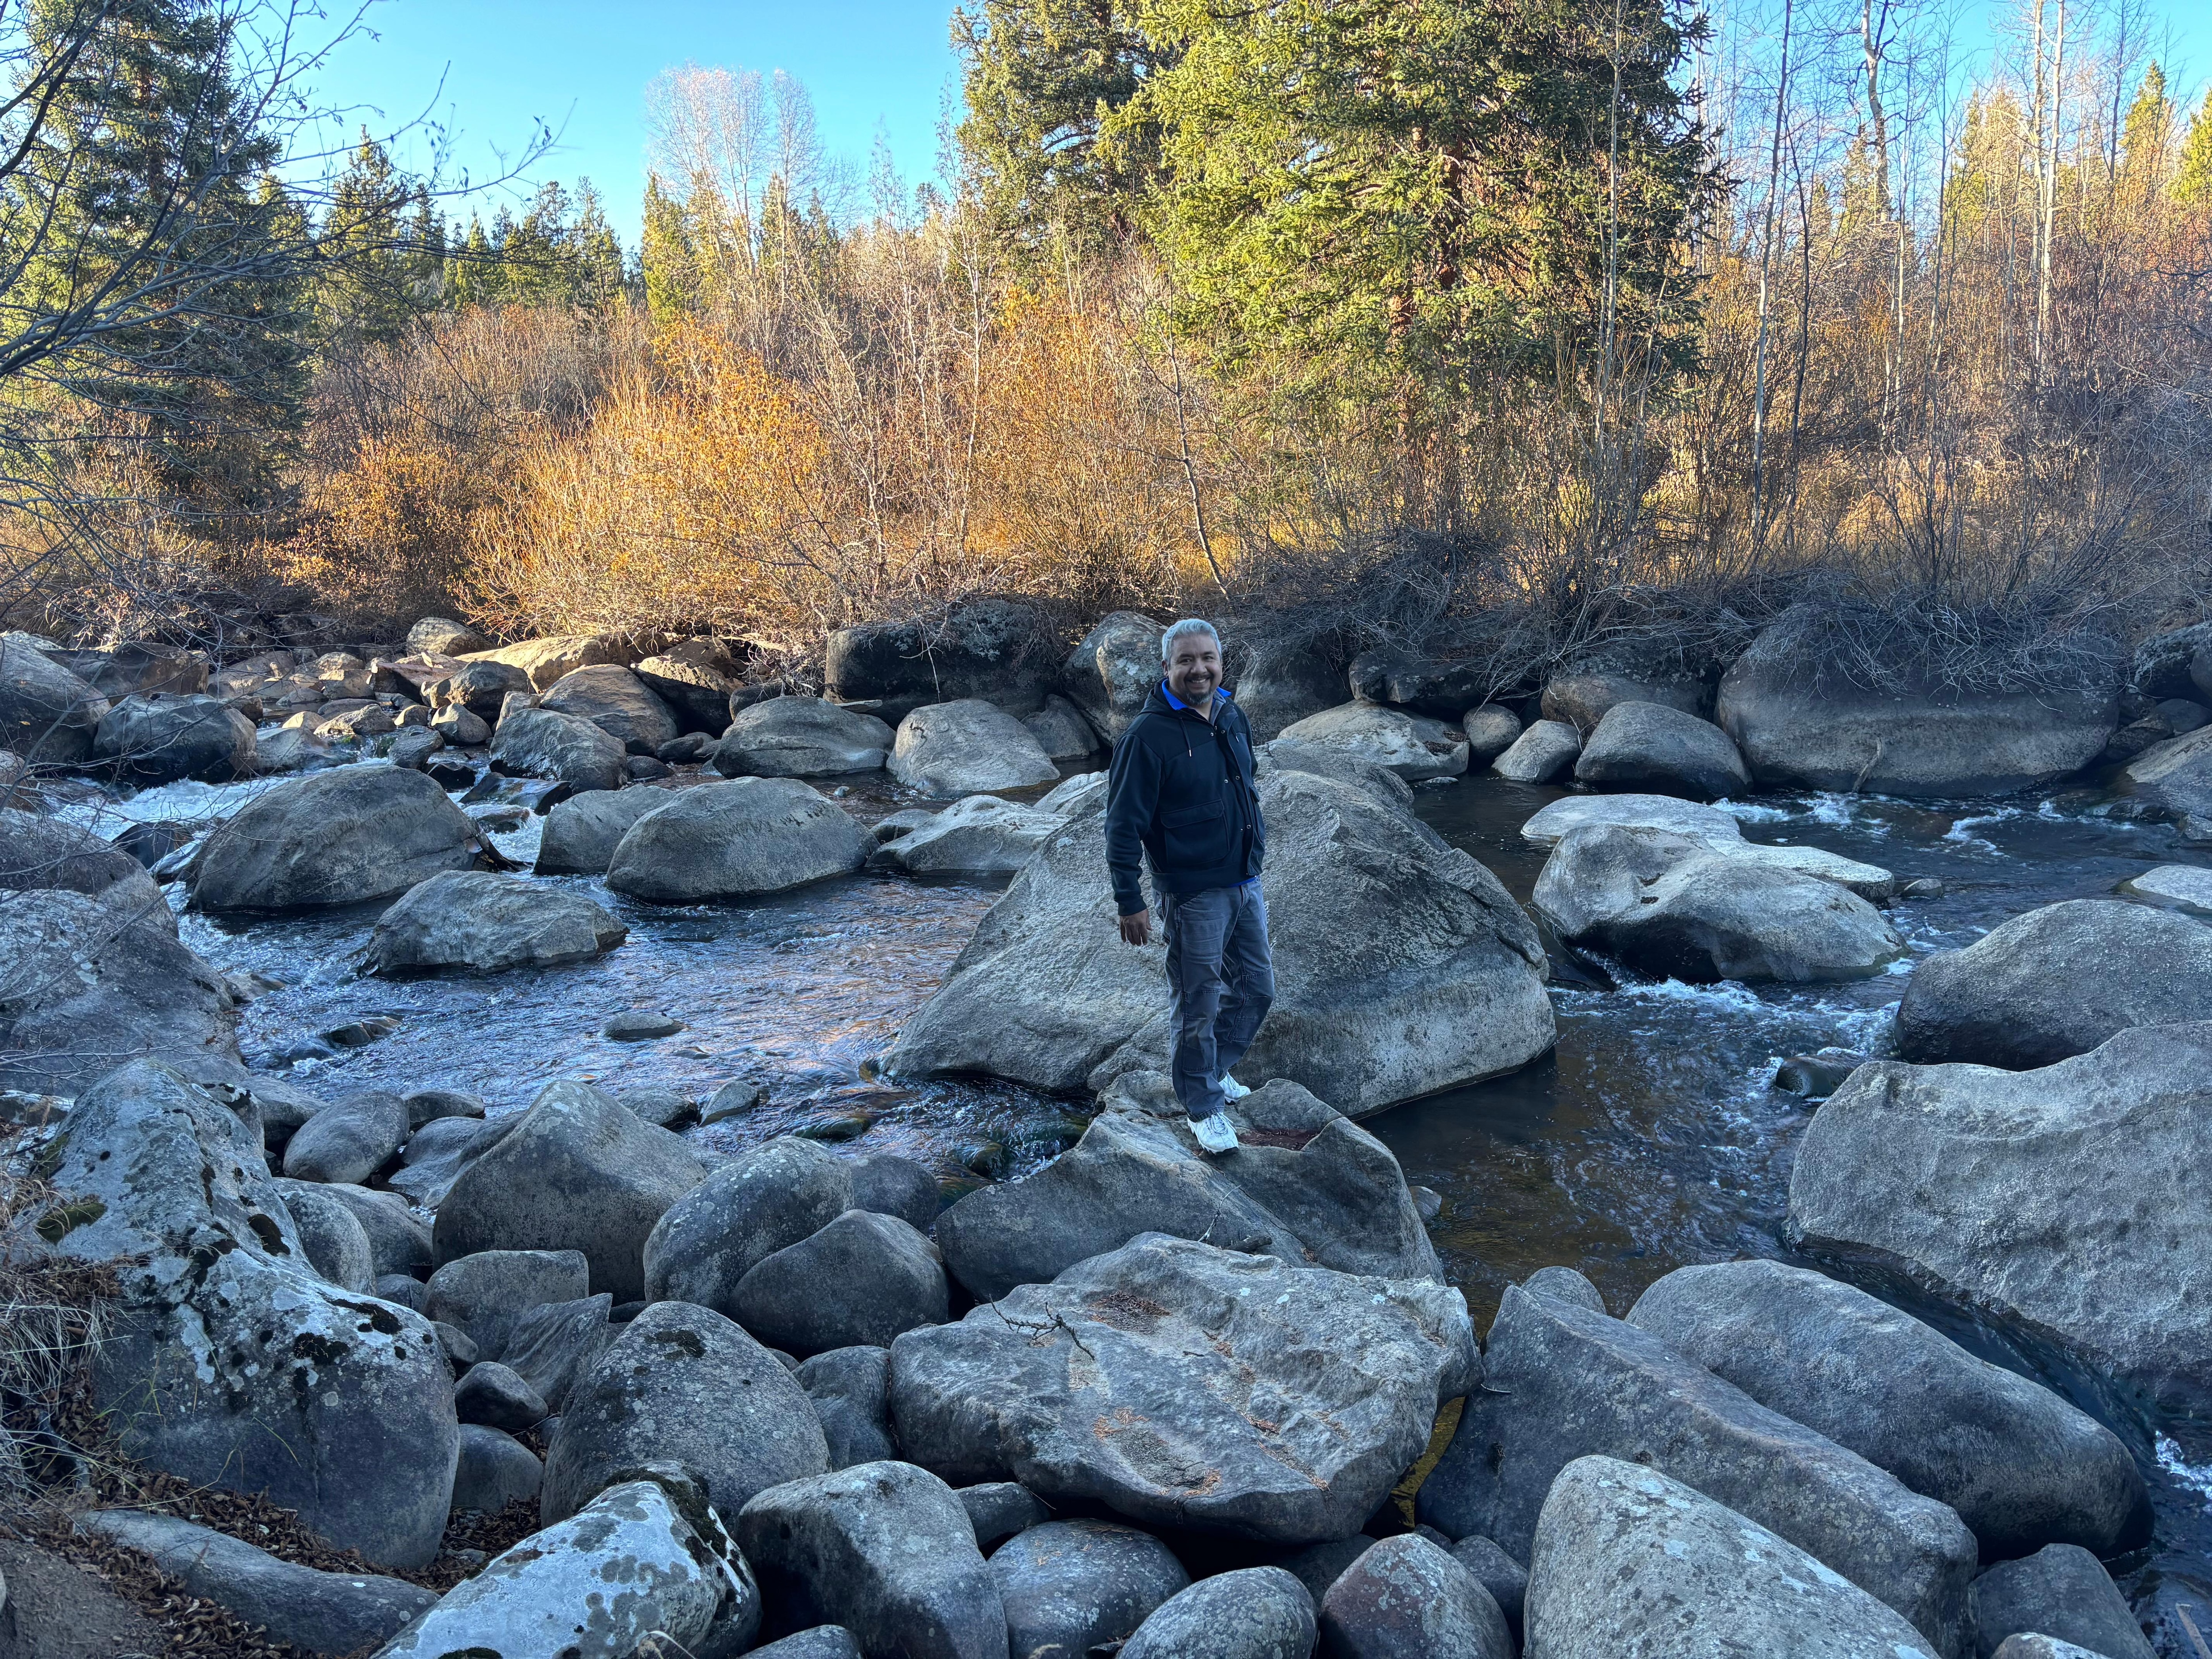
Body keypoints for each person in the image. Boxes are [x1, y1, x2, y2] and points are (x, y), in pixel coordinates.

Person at [1104, 617, 1273, 1155]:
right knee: (1197, 1001)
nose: (1198, 669)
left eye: (1207, 659)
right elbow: (1122, 824)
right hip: (1192, 893)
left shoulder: (1230, 714)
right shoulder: (1145, 737)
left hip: (1245, 881)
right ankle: (1200, 1107)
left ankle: (1210, 1072)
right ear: (1166, 668)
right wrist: (1129, 900)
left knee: (1257, 989)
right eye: (1185, 661)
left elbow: (1244, 790)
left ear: (1220, 663)